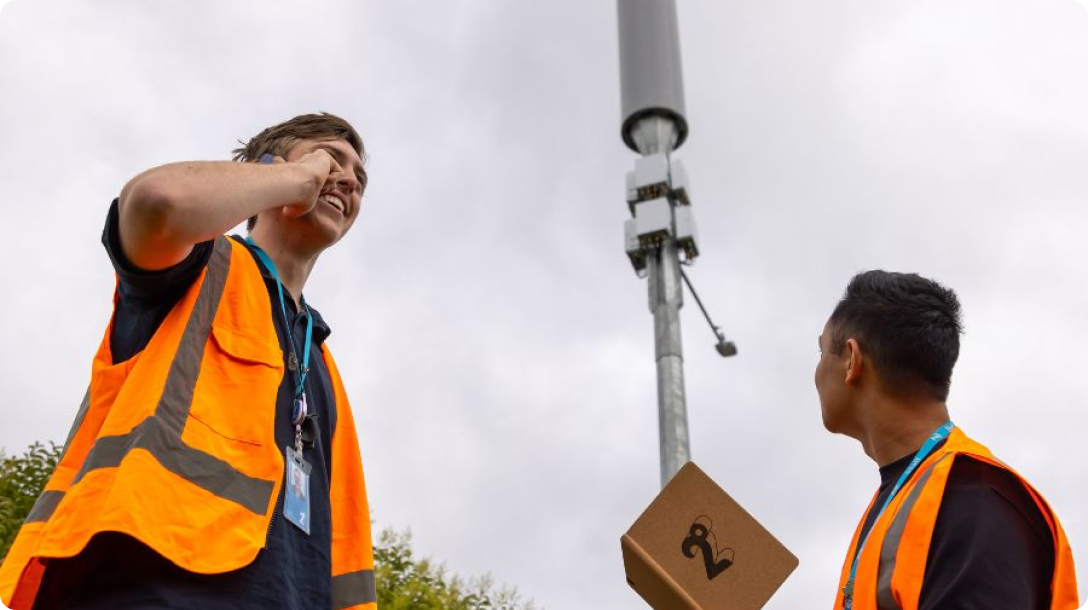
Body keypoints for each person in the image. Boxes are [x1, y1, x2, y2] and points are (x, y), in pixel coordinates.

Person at [0, 113, 378, 610]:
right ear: (268, 168)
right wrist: (300, 179)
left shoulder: (321, 361)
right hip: (145, 588)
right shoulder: (203, 265)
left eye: (359, 176)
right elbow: (157, 201)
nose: (349, 179)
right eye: (330, 159)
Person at [814, 270, 1078, 610]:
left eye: (821, 351)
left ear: (852, 360)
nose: (816, 373)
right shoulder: (907, 499)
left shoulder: (974, 499)